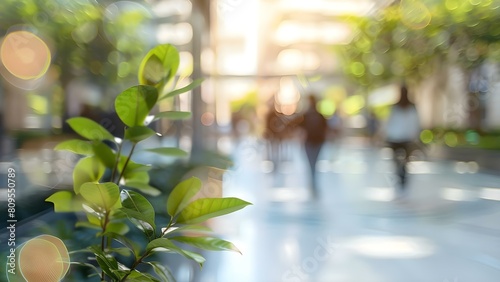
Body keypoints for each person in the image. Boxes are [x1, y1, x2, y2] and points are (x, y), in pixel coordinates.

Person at [385, 85, 421, 197]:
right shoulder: (396, 107)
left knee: (404, 162)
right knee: (398, 161)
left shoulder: (411, 107)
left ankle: (402, 177)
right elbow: (390, 122)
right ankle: (400, 177)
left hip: (404, 138)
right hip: (397, 138)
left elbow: (415, 122)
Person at [296, 95, 328, 198]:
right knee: (314, 164)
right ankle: (313, 184)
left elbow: (300, 130)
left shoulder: (306, 115)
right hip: (317, 142)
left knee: (311, 164)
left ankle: (312, 184)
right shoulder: (320, 115)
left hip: (310, 142)